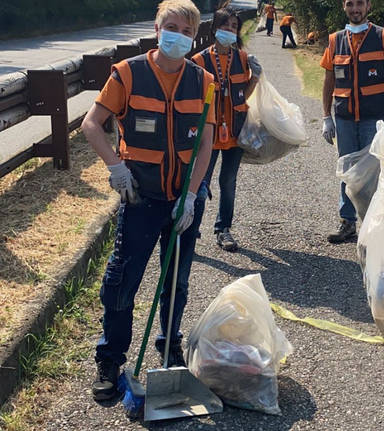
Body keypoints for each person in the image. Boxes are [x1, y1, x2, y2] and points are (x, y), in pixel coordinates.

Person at [82, 0, 216, 400]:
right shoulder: (128, 73)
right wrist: (115, 168)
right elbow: (92, 124)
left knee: (177, 281)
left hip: (184, 201)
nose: (179, 35)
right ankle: (110, 359)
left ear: (194, 36)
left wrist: (192, 196)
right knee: (122, 282)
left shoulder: (204, 80)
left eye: (187, 30)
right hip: (140, 198)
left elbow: (207, 142)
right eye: (171, 27)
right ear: (158, 30)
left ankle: (169, 344)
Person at [320, 0, 384, 243]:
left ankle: (373, 225)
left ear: (368, 7)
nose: (355, 9)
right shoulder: (335, 40)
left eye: (359, 4)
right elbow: (328, 82)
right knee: (347, 171)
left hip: (373, 120)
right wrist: (326, 116)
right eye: (350, 4)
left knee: (372, 174)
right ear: (344, 7)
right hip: (344, 118)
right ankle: (348, 222)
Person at [191, 7, 262, 252]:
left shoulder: (242, 59)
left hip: (235, 133)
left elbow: (243, 96)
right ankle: (192, 226)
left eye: (233, 27)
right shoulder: (199, 61)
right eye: (225, 25)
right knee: (200, 180)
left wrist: (254, 78)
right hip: (208, 135)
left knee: (228, 182)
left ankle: (224, 230)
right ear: (214, 29)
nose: (229, 30)